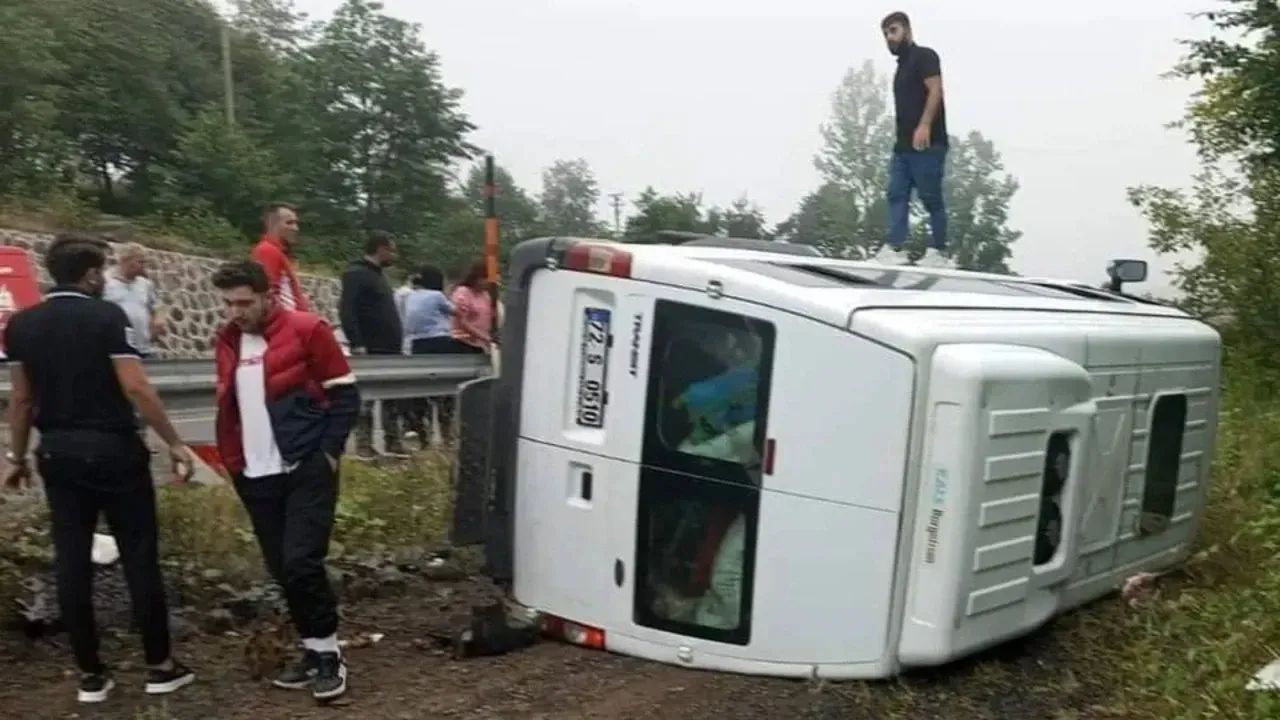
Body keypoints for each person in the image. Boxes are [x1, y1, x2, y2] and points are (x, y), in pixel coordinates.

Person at [2, 233, 196, 704]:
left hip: (59, 454)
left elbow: (23, 399)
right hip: (114, 450)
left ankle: (91, 675)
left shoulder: (23, 326)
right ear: (91, 275)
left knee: (71, 560)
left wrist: (18, 456)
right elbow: (136, 388)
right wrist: (174, 442)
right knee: (139, 554)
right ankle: (159, 667)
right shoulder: (107, 317)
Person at [211, 260, 359, 703]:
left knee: (301, 562)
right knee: (283, 569)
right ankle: (312, 651)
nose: (236, 311)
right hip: (255, 473)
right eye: (229, 303)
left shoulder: (307, 329)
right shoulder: (229, 340)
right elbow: (231, 405)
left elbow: (346, 395)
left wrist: (327, 455)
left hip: (304, 466)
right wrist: (234, 463)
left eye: (244, 302)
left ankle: (331, 654)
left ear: (266, 296)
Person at [872, 11, 953, 269]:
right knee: (896, 193)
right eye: (885, 34)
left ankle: (938, 252)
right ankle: (895, 247)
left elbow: (936, 90)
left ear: (907, 30)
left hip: (928, 144)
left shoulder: (925, 56)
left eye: (893, 31)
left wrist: (925, 125)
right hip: (903, 146)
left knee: (931, 198)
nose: (889, 38)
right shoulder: (901, 68)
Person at [339, 231, 408, 458]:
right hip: (370, 346)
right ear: (381, 249)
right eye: (391, 249)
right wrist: (357, 342)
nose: (394, 254)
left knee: (392, 397)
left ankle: (393, 440)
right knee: (366, 397)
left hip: (389, 347)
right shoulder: (357, 274)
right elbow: (347, 310)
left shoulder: (378, 275)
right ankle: (364, 444)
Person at [402, 264, 464, 446]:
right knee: (446, 388)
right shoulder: (437, 296)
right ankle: (447, 434)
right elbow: (455, 312)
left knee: (421, 388)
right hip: (440, 342)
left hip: (417, 344)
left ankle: (422, 433)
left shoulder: (410, 296)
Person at [103, 242, 166, 358]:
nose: (143, 266)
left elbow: (157, 307)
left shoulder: (146, 284)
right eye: (140, 262)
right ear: (125, 260)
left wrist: (158, 322)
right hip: (116, 348)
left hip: (143, 347)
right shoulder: (105, 282)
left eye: (145, 262)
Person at [252, 202, 311, 312]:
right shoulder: (267, 250)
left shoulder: (279, 252)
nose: (295, 228)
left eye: (296, 223)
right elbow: (269, 294)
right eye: (289, 223)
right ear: (272, 225)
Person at [449, 260, 494, 354]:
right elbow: (462, 321)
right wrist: (483, 336)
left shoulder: (485, 295)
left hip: (479, 343)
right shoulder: (463, 292)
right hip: (462, 342)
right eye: (484, 278)